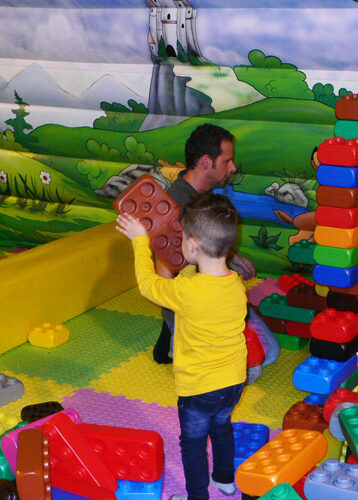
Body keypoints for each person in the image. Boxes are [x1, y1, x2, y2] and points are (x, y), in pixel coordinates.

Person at [116, 193, 247, 500]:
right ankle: (225, 480)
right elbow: (197, 278)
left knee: (193, 442)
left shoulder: (187, 291)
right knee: (222, 426)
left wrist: (140, 241)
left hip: (198, 387)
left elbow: (148, 285)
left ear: (192, 245)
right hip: (233, 381)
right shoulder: (236, 284)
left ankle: (197, 497)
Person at [153, 123, 256, 364]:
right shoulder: (175, 206)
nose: (233, 167)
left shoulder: (204, 197)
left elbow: (208, 243)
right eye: (227, 161)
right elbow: (165, 273)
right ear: (206, 162)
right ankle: (172, 333)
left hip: (209, 292)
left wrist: (233, 258)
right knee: (249, 365)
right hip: (191, 304)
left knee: (267, 349)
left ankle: (169, 334)